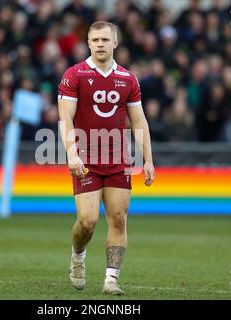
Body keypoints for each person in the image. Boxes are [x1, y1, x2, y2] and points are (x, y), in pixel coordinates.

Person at [57, 21, 155, 295]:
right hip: (86, 158)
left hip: (118, 158)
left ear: (115, 43)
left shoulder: (128, 79)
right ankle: (78, 256)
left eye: (105, 40)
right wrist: (72, 154)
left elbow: (139, 122)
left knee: (118, 218)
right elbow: (65, 118)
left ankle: (111, 279)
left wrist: (147, 159)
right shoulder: (74, 75)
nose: (100, 44)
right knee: (87, 221)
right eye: (95, 40)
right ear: (88, 43)